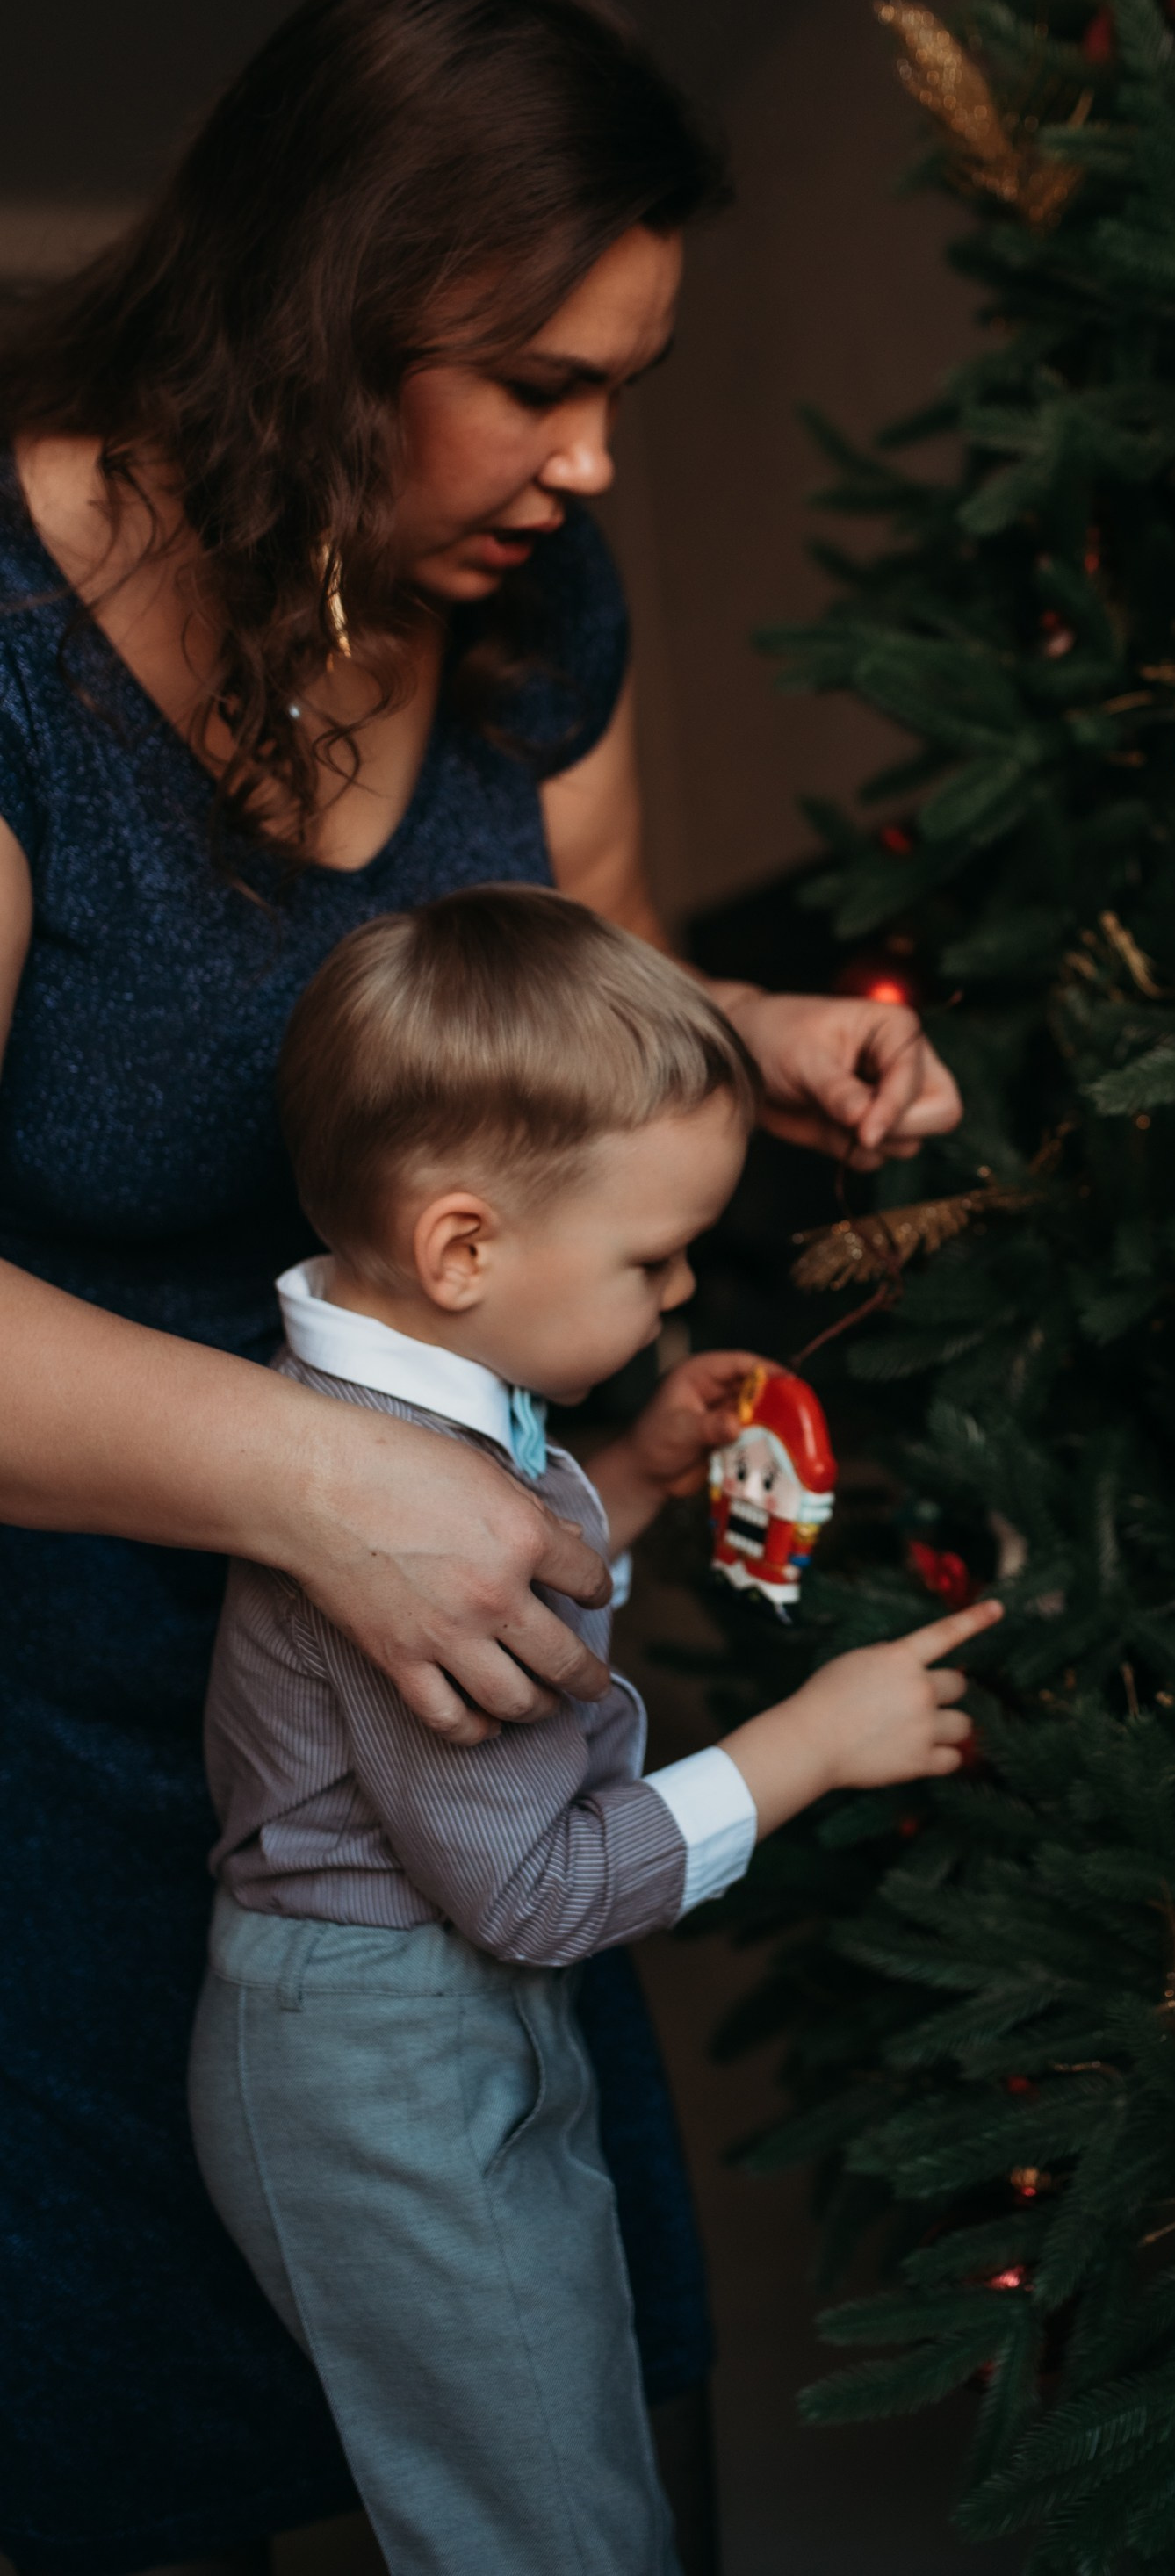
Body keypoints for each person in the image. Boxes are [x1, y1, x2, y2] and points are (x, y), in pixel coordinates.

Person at [0, 0, 961, 2573]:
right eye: (535, 381)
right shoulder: (8, 639)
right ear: (322, 311)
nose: (591, 456)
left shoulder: (536, 616)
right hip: (64, 1760)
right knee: (137, 2455)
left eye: (622, 386)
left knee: (554, 2433)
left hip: (441, 1736)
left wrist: (741, 1029)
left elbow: (589, 1002)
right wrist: (324, 1485)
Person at [188, 888, 998, 2575]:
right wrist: (805, 1747)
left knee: (571, 2464)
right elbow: (535, 1889)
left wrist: (623, 1476)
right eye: (653, 1260)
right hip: (382, 2059)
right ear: (465, 1251)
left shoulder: (416, 1404)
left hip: (442, 2017)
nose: (688, 1286)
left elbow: (513, 1596)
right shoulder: (377, 1514)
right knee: (540, 2529)